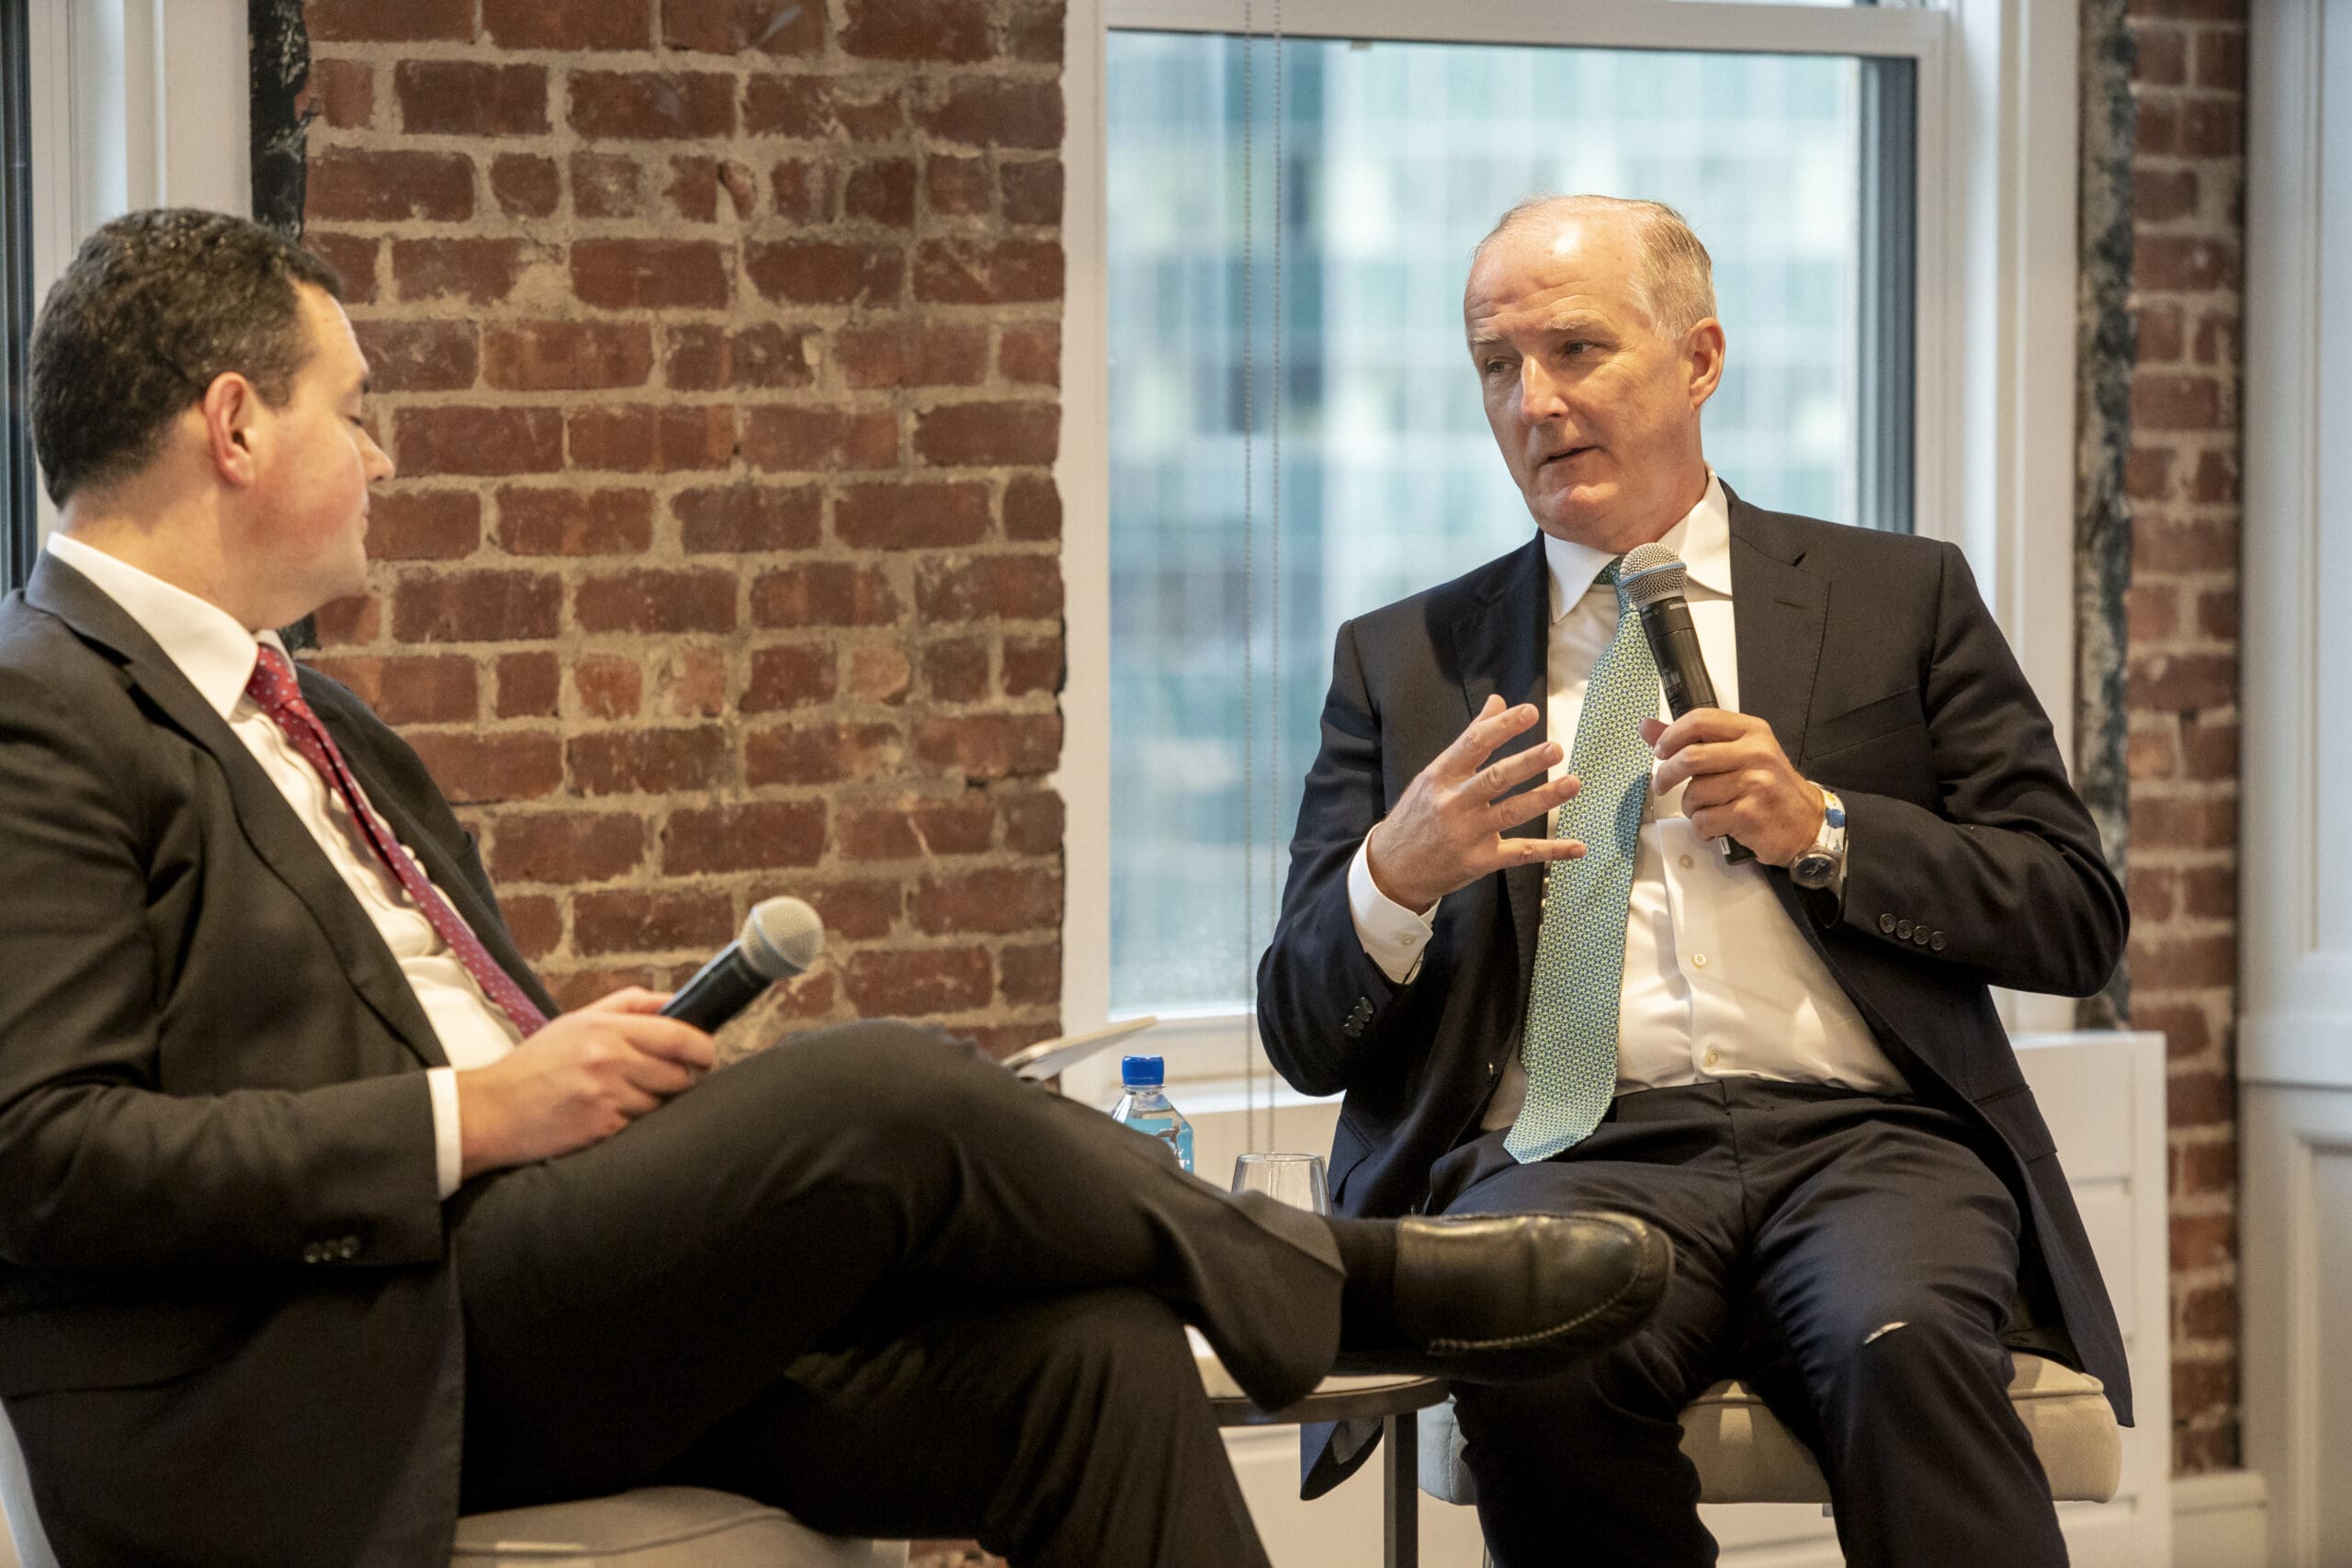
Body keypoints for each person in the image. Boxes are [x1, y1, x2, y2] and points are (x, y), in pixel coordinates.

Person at [0, 208, 1674, 1568]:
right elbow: (41, 1156)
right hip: (316, 1368)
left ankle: (1279, 1280)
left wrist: (574, 1091)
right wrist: (478, 1114)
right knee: (882, 1092)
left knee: (1087, 1362)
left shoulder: (319, 717)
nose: (382, 460)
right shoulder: (42, 710)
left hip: (487, 1293)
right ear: (236, 425)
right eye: (354, 411)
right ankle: (1353, 1281)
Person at [1257, 195, 2132, 1567]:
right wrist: (1395, 877)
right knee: (1535, 1366)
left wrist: (1825, 828)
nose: (1536, 403)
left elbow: (2074, 916)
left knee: (1900, 1343)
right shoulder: (1404, 662)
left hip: (1866, 1144)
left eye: (1576, 350)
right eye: (1497, 366)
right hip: (1562, 1159)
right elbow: (1302, 1035)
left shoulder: (1898, 599)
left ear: (1700, 359)